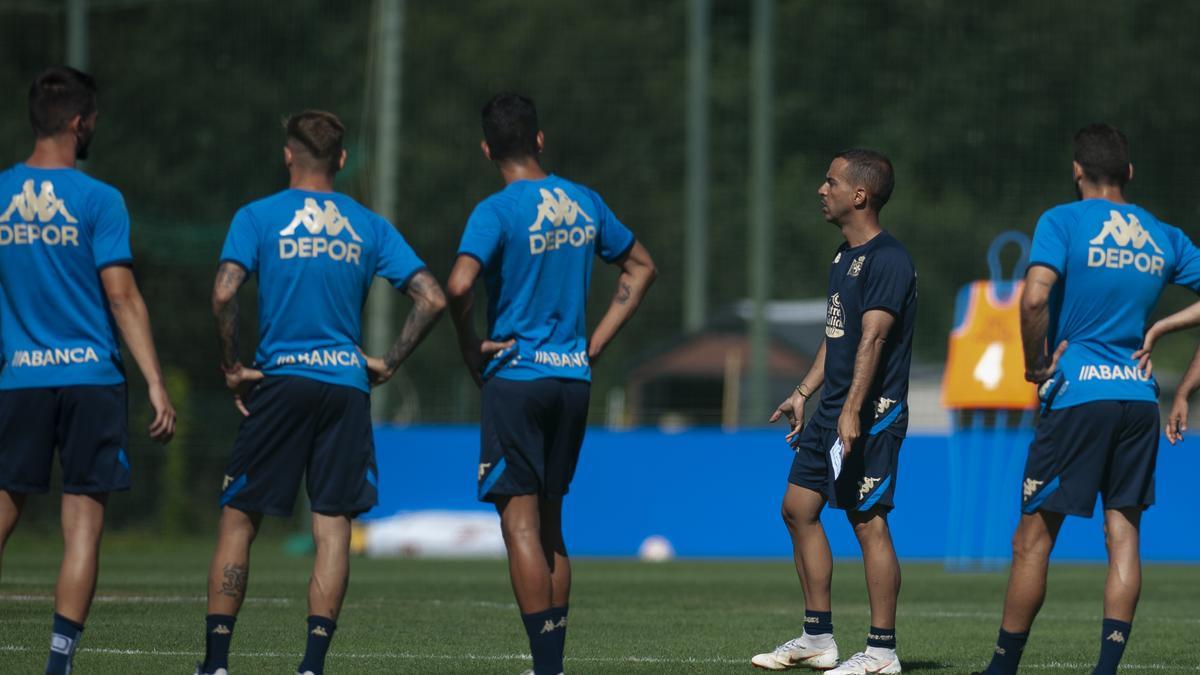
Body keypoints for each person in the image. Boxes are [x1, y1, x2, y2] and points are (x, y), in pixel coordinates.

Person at [196, 110, 445, 675]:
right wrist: (388, 362)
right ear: (341, 159)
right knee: (332, 527)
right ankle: (311, 666)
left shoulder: (257, 217)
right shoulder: (368, 225)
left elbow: (222, 294)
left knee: (240, 520)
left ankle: (215, 664)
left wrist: (233, 364)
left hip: (281, 381)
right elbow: (431, 296)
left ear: (288, 155)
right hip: (344, 386)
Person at [973, 124, 1200, 675]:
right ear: (1128, 173)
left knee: (1032, 539)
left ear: (1077, 172)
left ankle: (1002, 670)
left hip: (1078, 395)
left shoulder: (1063, 220)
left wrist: (1034, 366)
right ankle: (1105, 671)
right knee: (1123, 534)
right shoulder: (1162, 235)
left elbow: (1033, 299)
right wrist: (1167, 340)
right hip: (1137, 399)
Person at [446, 93, 656, 675]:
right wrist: (595, 342)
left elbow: (459, 285)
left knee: (519, 525)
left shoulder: (497, 210)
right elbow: (641, 266)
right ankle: (552, 665)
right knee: (553, 524)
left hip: (516, 377)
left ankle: (545, 670)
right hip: (572, 378)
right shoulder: (585, 201)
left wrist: (469, 344)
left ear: (488, 149)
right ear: (539, 140)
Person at [0, 65, 176, 675]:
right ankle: (58, 666)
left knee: (2, 510)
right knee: (82, 529)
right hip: (90, 381)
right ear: (79, 122)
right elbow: (123, 297)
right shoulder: (99, 199)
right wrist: (154, 379)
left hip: (18, 378)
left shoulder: (0, 194)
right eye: (93, 118)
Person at [752, 149, 915, 675]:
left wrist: (850, 412)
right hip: (831, 409)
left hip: (870, 412)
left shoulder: (889, 258)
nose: (823, 190)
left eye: (831, 182)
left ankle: (882, 652)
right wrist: (803, 392)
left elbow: (873, 337)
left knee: (867, 523)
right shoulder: (842, 257)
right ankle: (818, 638)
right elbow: (838, 334)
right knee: (797, 509)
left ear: (860, 195)